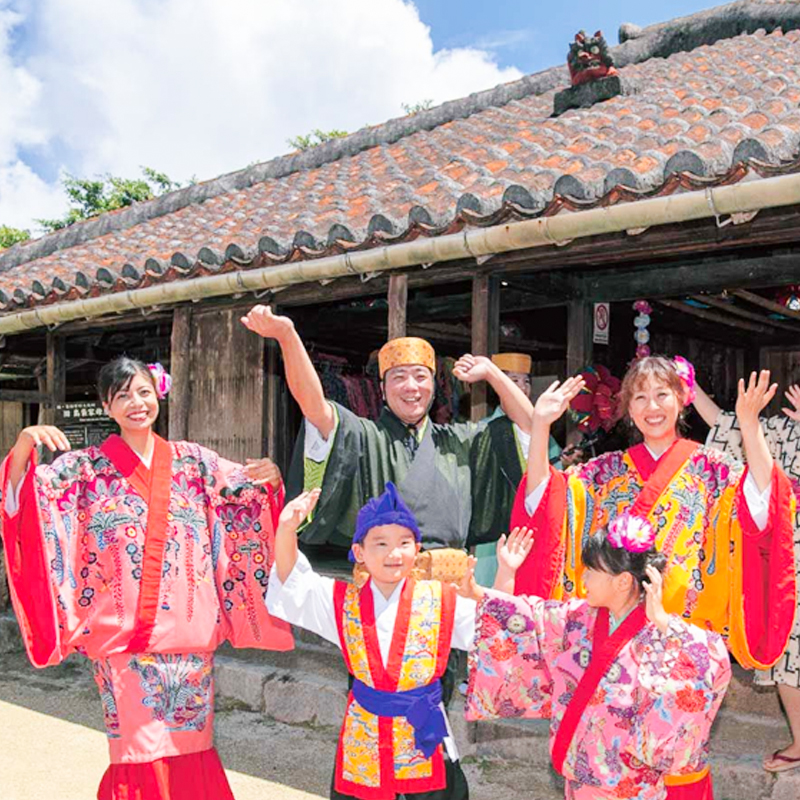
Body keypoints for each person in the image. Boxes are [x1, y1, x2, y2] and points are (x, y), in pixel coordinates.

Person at [1, 357, 293, 800]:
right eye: (122, 396)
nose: (136, 403)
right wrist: (22, 445)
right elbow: (22, 500)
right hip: (123, 642)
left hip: (188, 641)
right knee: (134, 754)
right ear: (106, 405)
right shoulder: (85, 469)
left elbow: (246, 494)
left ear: (157, 393)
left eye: (142, 392)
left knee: (191, 746)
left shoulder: (195, 461)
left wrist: (269, 481)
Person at [509, 356, 796, 677]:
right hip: (615, 637)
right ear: (628, 409)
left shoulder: (711, 469)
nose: (652, 406)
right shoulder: (607, 472)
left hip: (684, 640)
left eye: (662, 394)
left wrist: (749, 425)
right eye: (640, 397)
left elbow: (762, 503)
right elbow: (546, 503)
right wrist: (540, 426)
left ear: (681, 400)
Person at [464, 520, 732, 800]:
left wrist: (664, 622)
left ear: (623, 581)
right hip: (580, 780)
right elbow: (523, 618)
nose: (584, 580)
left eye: (591, 572)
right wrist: (489, 582)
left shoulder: (663, 635)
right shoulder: (577, 618)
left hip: (633, 788)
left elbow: (709, 659)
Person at [240, 305, 534, 552]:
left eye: (421, 376)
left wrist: (493, 373)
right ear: (381, 389)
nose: (411, 387)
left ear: (434, 386)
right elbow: (314, 406)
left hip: (450, 587)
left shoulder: (460, 442)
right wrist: (288, 337)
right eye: (398, 377)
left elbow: (531, 425)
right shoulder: (365, 436)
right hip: (382, 585)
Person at [266, 482, 475, 800]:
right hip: (365, 728)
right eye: (381, 543)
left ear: (416, 549)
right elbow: (291, 579)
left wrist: (504, 576)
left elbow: (491, 629)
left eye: (405, 542)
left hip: (425, 725)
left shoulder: (442, 600)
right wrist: (286, 529)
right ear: (360, 552)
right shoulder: (341, 602)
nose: (394, 553)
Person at [695, 381, 800, 774]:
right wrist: (689, 389)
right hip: (787, 555)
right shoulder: (781, 429)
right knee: (789, 648)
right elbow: (727, 424)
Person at [469, 352, 561, 586]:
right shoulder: (484, 430)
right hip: (495, 532)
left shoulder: (544, 430)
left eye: (525, 381)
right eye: (512, 380)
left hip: (534, 529)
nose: (521, 386)